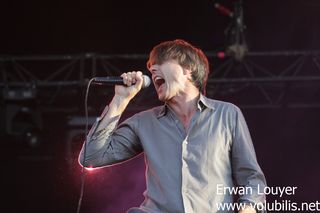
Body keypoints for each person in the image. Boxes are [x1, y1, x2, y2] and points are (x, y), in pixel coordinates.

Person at [79, 39, 267, 213]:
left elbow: (251, 177)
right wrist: (120, 99)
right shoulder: (143, 122)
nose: (152, 72)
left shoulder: (227, 114)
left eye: (160, 64)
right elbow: (90, 157)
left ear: (187, 69)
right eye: (151, 68)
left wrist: (249, 207)